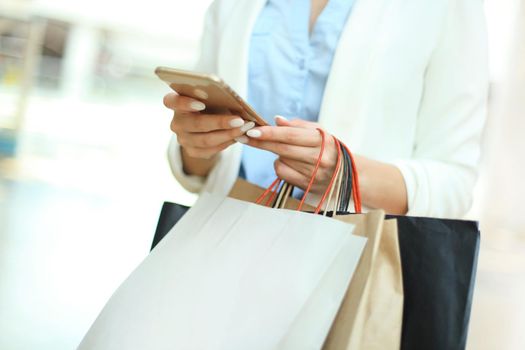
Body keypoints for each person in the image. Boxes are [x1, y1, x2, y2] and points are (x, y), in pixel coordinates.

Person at [163, 0, 488, 218]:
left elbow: (454, 184)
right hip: (222, 234)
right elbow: (201, 163)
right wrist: (196, 146)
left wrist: (345, 174)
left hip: (346, 272)